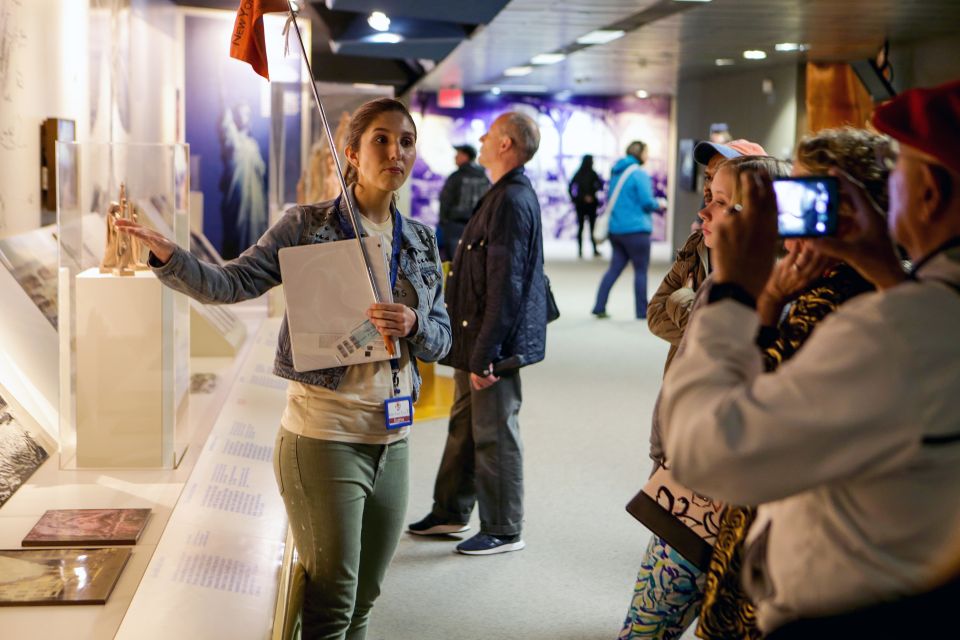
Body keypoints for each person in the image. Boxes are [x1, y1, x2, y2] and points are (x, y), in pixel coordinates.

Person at [117, 98, 452, 639]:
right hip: (325, 435)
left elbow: (442, 338)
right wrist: (171, 259)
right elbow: (233, 283)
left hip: (394, 437)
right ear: (352, 153)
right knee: (332, 603)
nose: (396, 152)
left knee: (365, 598)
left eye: (406, 141)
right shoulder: (306, 226)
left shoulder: (420, 240)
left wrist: (414, 323)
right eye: (382, 140)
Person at [660, 79, 960, 635]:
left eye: (902, 174)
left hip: (848, 609)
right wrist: (882, 264)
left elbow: (706, 451)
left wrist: (735, 290)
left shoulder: (885, 330)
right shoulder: (924, 308)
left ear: (931, 193)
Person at [696, 127, 889, 640]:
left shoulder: (837, 303)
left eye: (806, 198)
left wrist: (756, 299)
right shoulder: (823, 286)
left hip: (804, 547)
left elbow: (729, 424)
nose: (789, 216)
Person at [619, 155, 791, 640]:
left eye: (722, 203)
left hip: (716, 494)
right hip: (688, 480)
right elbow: (660, 311)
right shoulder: (720, 282)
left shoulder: (767, 294)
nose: (704, 212)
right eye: (709, 198)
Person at [407, 112, 547, 555]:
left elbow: (507, 284)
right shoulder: (501, 193)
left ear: (506, 145)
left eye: (489, 135)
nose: (482, 140)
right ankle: (450, 511)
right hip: (476, 338)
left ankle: (504, 529)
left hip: (492, 343)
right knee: (465, 426)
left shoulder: (511, 200)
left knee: (494, 432)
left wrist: (487, 353)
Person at [647, 139, 766, 380]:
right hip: (683, 381)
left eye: (721, 175)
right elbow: (656, 314)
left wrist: (682, 300)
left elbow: (740, 346)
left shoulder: (765, 259)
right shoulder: (699, 242)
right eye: (708, 177)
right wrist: (709, 337)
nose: (710, 186)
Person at [592, 140, 662, 319]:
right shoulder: (639, 174)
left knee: (614, 268)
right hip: (637, 230)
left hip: (616, 230)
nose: (647, 156)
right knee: (640, 271)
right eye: (646, 152)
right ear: (640, 153)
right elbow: (647, 202)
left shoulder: (617, 172)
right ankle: (641, 311)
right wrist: (660, 204)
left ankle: (599, 306)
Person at [219, 102, 267, 259]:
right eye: (239, 114)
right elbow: (226, 124)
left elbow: (261, 173)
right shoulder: (234, 140)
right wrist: (223, 95)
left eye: (246, 113)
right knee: (238, 235)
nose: (243, 117)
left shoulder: (253, 145)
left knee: (255, 235)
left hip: (255, 204)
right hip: (239, 201)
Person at [438, 143, 491, 261]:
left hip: (455, 228)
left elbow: (445, 201)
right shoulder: (484, 177)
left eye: (458, 154)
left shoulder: (456, 177)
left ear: (466, 156)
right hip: (479, 228)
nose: (455, 157)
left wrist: (443, 223)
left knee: (454, 262)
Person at [568, 154, 604, 257]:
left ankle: (588, 250)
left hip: (587, 204)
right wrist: (577, 198)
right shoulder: (587, 173)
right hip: (583, 204)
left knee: (587, 227)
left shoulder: (588, 173)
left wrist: (576, 198)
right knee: (584, 227)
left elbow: (600, 186)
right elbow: (570, 187)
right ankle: (584, 250)